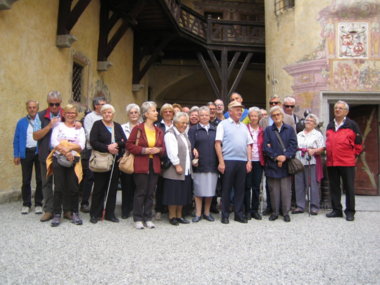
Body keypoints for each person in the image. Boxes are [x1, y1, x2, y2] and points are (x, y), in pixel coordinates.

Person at [127, 101, 165, 229]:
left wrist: (158, 150)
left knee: (150, 192)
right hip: (141, 163)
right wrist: (144, 150)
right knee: (140, 192)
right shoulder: (138, 129)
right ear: (146, 114)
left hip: (154, 163)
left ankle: (148, 217)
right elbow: (129, 145)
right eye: (154, 111)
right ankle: (137, 218)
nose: (156, 113)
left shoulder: (159, 130)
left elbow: (163, 148)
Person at [215, 101, 252, 224]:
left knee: (240, 189)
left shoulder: (243, 126)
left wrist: (249, 161)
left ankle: (238, 214)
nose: (240, 112)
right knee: (226, 189)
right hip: (228, 160)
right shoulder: (223, 124)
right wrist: (221, 162)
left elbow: (249, 145)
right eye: (237, 109)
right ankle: (225, 215)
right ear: (230, 111)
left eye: (240, 110)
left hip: (242, 161)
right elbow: (217, 144)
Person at [49, 104, 85, 227]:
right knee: (58, 187)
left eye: (73, 113)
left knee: (74, 187)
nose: (70, 115)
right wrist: (66, 151)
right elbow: (53, 142)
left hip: (74, 160)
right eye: (68, 112)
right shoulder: (58, 126)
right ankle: (57, 214)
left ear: (76, 115)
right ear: (64, 114)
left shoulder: (79, 128)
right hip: (59, 159)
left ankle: (74, 212)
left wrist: (66, 147)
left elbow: (82, 145)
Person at [325, 100, 362, 221]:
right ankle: (337, 210)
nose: (337, 110)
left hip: (346, 162)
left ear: (346, 111)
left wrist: (353, 156)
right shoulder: (330, 125)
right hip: (332, 162)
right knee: (334, 187)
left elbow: (358, 144)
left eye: (340, 108)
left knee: (349, 188)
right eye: (336, 108)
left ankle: (350, 211)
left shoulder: (352, 125)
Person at [89, 104, 126, 224]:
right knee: (99, 187)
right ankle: (95, 213)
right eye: (105, 112)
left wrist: (116, 145)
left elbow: (124, 141)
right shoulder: (97, 125)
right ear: (102, 114)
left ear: (113, 114)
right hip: (102, 160)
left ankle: (110, 213)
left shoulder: (117, 126)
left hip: (114, 161)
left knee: (112, 188)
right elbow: (93, 141)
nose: (107, 114)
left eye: (109, 112)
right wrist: (107, 147)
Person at [259, 95, 296, 216]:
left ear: (282, 115)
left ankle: (285, 212)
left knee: (285, 191)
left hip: (285, 164)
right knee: (273, 190)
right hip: (272, 164)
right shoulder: (268, 130)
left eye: (278, 115)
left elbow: (293, 145)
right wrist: (276, 157)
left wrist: (284, 157)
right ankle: (274, 212)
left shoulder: (289, 129)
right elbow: (265, 147)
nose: (276, 117)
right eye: (273, 115)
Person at [33, 91, 63, 222]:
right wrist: (49, 126)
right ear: (48, 103)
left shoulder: (66, 114)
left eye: (57, 104)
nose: (55, 107)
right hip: (45, 155)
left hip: (62, 155)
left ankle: (62, 210)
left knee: (61, 183)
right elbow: (35, 135)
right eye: (52, 104)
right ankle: (49, 210)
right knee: (46, 183)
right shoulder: (40, 116)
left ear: (60, 103)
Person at [162, 112, 193, 226]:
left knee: (182, 194)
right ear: (175, 123)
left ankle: (180, 215)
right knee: (173, 195)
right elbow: (171, 152)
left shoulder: (183, 134)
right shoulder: (170, 134)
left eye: (186, 123)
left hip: (186, 169)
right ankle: (172, 216)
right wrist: (177, 165)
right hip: (175, 169)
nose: (185, 125)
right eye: (182, 123)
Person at [188, 106, 218, 222]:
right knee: (198, 190)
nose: (204, 117)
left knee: (210, 190)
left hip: (212, 164)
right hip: (199, 164)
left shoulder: (214, 129)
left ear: (210, 115)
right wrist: (193, 154)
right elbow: (190, 146)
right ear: (199, 117)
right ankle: (198, 213)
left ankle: (207, 212)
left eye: (206, 115)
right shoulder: (193, 129)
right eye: (202, 115)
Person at [13, 100, 43, 215]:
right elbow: (16, 139)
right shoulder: (21, 122)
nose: (32, 109)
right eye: (30, 107)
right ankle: (26, 203)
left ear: (37, 108)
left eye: (34, 107)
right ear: (27, 108)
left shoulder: (41, 121)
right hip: (26, 153)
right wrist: (16, 155)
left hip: (38, 152)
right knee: (26, 179)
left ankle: (39, 203)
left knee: (40, 179)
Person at [293, 114, 325, 215]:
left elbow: (322, 148)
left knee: (312, 184)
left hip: (312, 162)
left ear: (315, 124)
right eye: (307, 120)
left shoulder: (317, 134)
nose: (308, 122)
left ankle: (314, 206)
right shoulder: (299, 134)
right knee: (299, 184)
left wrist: (314, 150)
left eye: (311, 121)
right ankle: (300, 206)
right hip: (299, 162)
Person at [80, 96, 107, 213]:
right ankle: (84, 202)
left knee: (102, 177)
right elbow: (89, 134)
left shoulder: (106, 116)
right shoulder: (89, 117)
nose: (104, 106)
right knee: (89, 177)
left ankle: (99, 203)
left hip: (104, 150)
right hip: (92, 150)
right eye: (102, 104)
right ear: (96, 105)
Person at [120, 103, 141, 219]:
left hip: (140, 159)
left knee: (138, 185)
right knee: (126, 184)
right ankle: (125, 209)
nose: (133, 115)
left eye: (135, 112)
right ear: (128, 115)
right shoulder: (123, 127)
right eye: (131, 113)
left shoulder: (143, 127)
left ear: (139, 114)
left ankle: (136, 208)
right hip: (127, 158)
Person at [154, 103, 175, 220]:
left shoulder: (176, 126)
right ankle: (158, 209)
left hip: (174, 159)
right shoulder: (157, 126)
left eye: (170, 111)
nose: (168, 113)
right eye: (165, 111)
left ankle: (169, 208)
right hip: (161, 158)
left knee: (171, 185)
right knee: (160, 185)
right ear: (161, 113)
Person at [244, 107, 265, 220]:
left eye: (255, 116)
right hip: (247, 160)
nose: (253, 118)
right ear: (249, 117)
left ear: (259, 117)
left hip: (258, 160)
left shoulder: (262, 130)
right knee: (247, 186)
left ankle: (254, 210)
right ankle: (247, 210)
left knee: (256, 187)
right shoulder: (245, 129)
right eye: (251, 116)